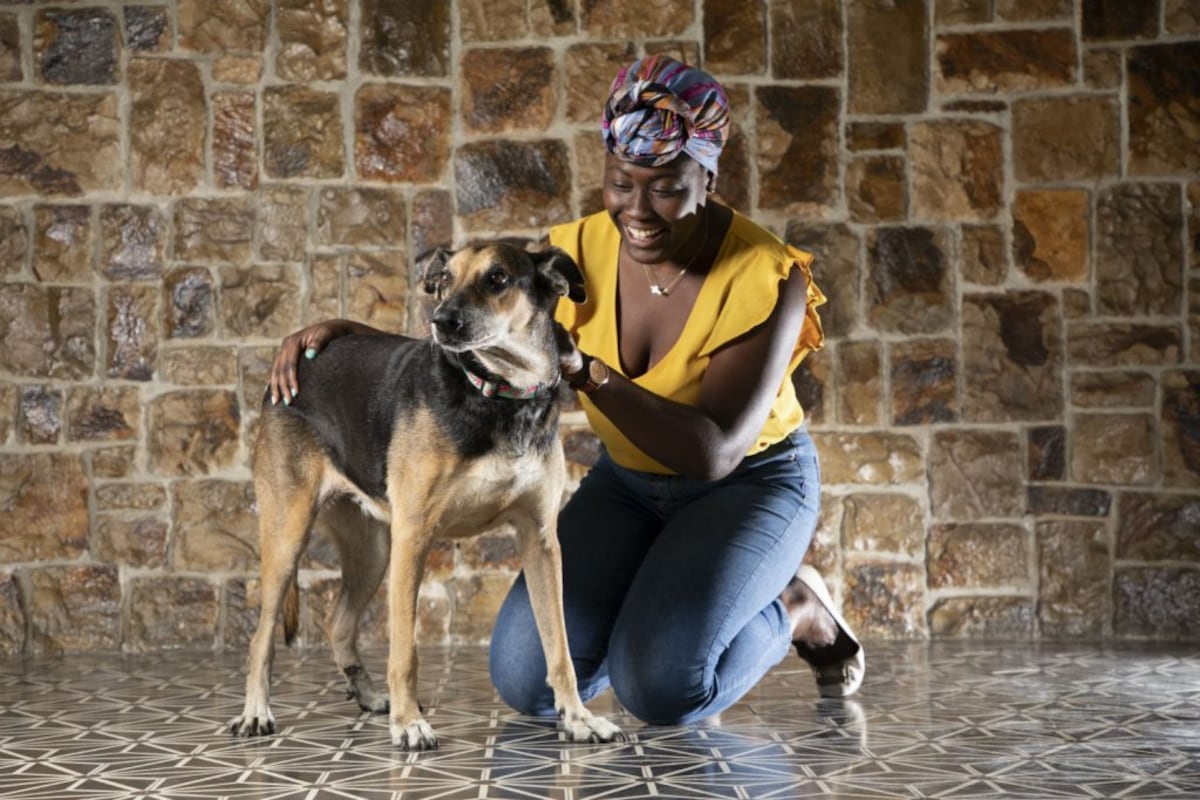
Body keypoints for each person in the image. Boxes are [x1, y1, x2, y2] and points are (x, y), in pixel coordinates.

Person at [267, 55, 864, 726]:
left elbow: (714, 452)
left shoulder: (765, 274)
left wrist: (586, 372)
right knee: (526, 679)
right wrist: (348, 337)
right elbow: (479, 312)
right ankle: (667, 604)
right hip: (631, 483)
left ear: (709, 176)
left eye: (667, 185)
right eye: (621, 183)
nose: (638, 210)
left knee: (662, 687)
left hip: (748, 484)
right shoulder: (572, 251)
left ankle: (797, 609)